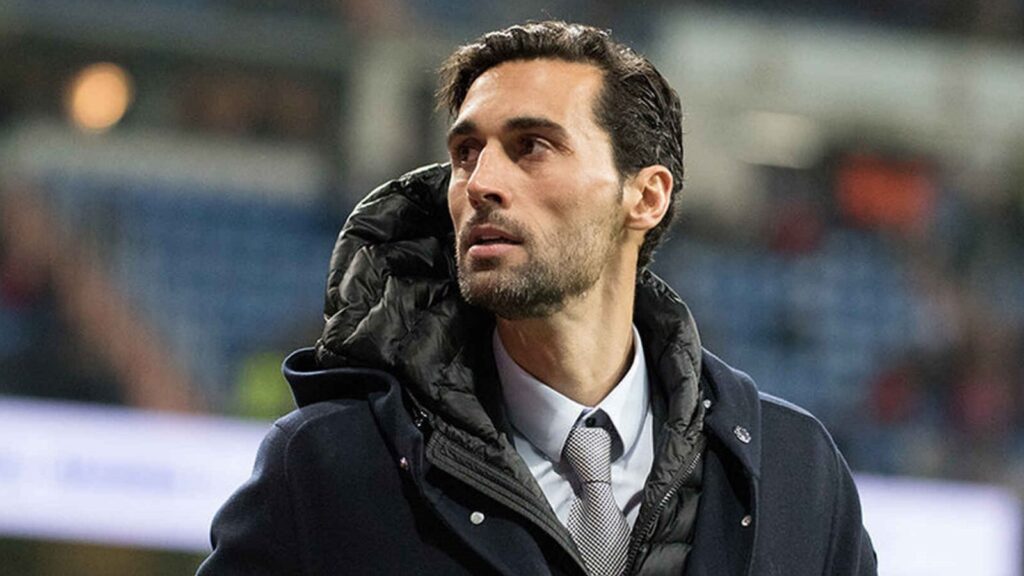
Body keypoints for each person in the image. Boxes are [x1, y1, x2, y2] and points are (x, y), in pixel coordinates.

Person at [197, 21, 877, 576]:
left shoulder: (795, 471)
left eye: (531, 147)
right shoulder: (330, 468)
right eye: (466, 153)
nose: (479, 182)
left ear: (646, 196)